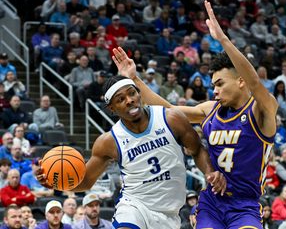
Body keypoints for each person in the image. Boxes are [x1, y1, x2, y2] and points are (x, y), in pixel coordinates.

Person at [112, 0, 278, 228]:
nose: (215, 90)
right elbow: (168, 110)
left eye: (220, 84)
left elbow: (255, 83)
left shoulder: (261, 111)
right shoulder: (210, 110)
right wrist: (135, 79)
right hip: (212, 201)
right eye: (213, 85)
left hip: (245, 205)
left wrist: (223, 40)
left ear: (240, 81)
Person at [36, 73, 226, 229]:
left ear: (139, 94)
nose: (129, 100)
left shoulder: (171, 118)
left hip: (170, 213)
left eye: (132, 93)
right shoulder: (108, 141)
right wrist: (56, 183)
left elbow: (197, 149)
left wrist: (210, 173)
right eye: (120, 99)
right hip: (135, 205)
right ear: (112, 108)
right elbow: (85, 181)